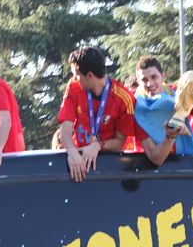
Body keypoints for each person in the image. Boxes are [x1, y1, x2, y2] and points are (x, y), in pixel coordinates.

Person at [57, 46, 135, 182]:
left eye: (77, 74)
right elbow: (66, 127)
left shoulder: (124, 98)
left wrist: (98, 146)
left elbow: (120, 142)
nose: (75, 78)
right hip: (78, 164)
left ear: (90, 76)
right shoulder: (73, 86)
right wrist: (72, 151)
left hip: (109, 167)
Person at [133, 56, 193, 165]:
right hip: (149, 170)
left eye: (154, 77)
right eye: (144, 80)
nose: (150, 83)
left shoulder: (177, 94)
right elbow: (156, 159)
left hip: (184, 163)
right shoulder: (136, 107)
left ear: (163, 76)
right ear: (138, 81)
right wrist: (170, 135)